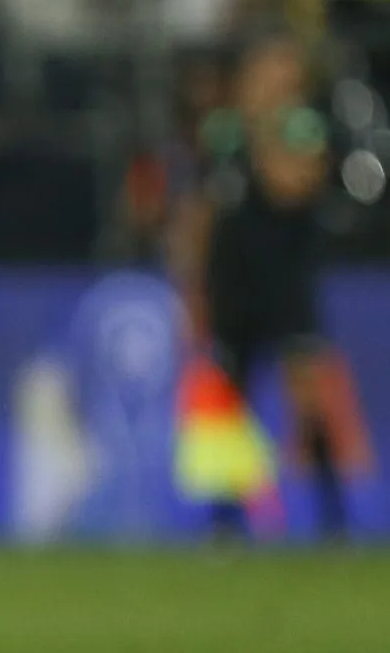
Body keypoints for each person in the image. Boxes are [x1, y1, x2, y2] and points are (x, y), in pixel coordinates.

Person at [175, 35, 354, 541]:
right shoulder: (222, 131)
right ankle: (226, 520)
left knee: (307, 398)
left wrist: (263, 133)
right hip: (233, 282)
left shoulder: (302, 125)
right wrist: (192, 282)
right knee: (228, 402)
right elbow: (203, 206)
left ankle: (332, 516)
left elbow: (293, 186)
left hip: (286, 278)